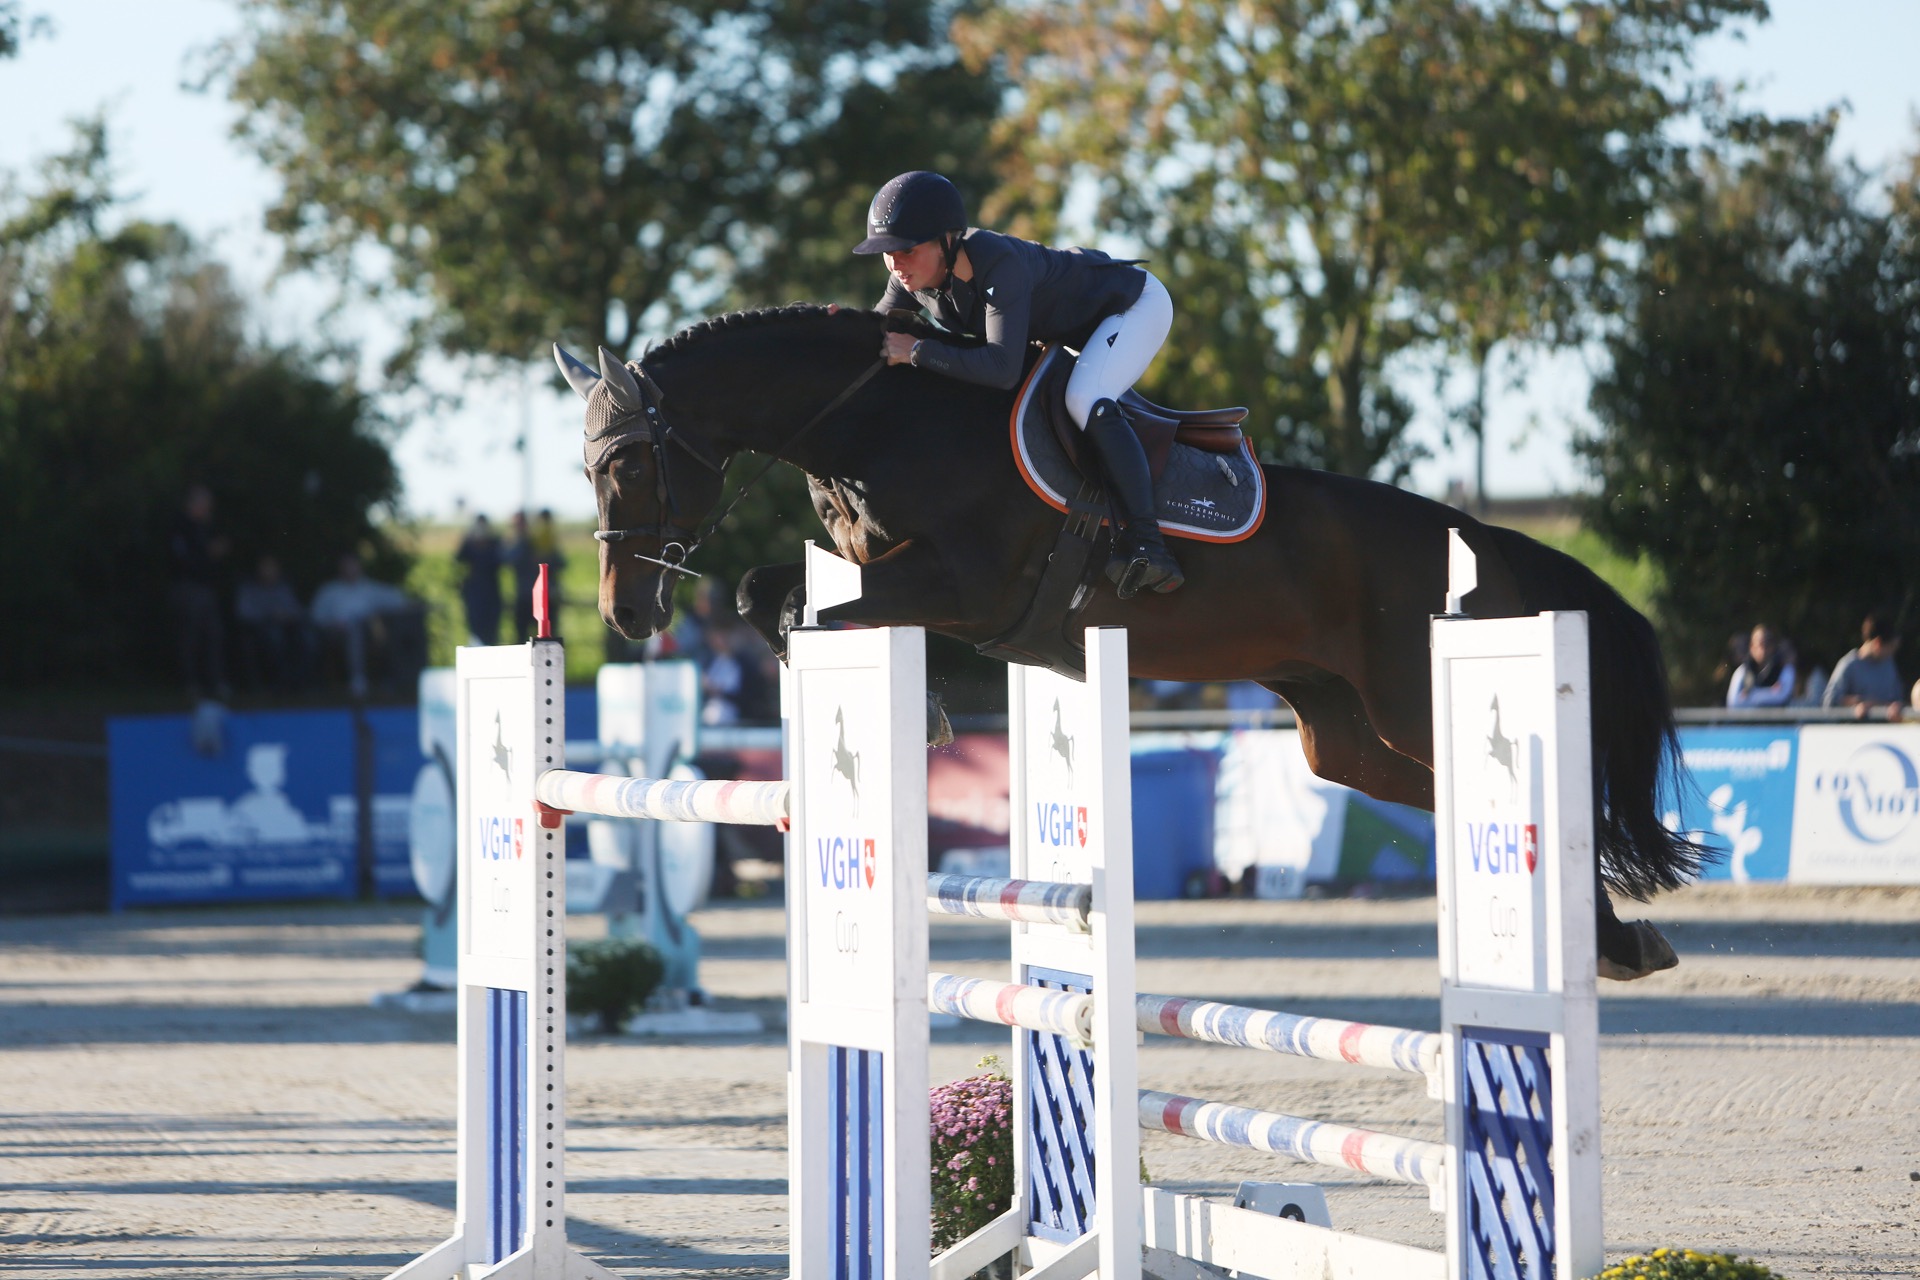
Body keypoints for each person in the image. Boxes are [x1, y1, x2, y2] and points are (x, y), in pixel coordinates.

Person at [849, 170, 1183, 598]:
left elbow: (1001, 368)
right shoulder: (910, 277)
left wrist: (917, 352)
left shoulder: (997, 263)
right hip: (1079, 330)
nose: (895, 264)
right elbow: (877, 334)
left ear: (947, 241)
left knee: (1084, 398)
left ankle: (1150, 546)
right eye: (886, 253)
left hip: (1134, 307)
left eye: (907, 250)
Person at [310, 553, 424, 698]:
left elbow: (396, 599)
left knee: (364, 629)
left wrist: (416, 603)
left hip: (366, 634)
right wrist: (333, 624)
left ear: (359, 567)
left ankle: (367, 679)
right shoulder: (329, 591)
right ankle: (356, 678)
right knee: (353, 630)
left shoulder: (370, 589)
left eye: (353, 566)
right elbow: (316, 616)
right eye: (346, 566)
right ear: (340, 569)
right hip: (334, 634)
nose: (350, 570)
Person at [168, 483, 231, 700]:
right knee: (189, 635)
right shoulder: (180, 527)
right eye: (204, 503)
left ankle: (215, 682)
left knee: (214, 635)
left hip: (207, 589)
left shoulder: (208, 528)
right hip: (187, 588)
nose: (208, 508)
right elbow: (182, 561)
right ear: (192, 503)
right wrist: (209, 554)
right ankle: (190, 683)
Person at [233, 555, 313, 692]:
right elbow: (244, 613)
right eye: (266, 567)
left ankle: (300, 682)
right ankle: (280, 682)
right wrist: (270, 615)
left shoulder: (283, 588)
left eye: (272, 567)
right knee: (275, 637)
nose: (269, 571)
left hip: (289, 629)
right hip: (259, 630)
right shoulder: (248, 589)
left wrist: (287, 615)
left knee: (309, 639)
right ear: (258, 569)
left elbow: (297, 610)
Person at [1822, 612, 1906, 721]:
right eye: (1890, 648)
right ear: (1877, 643)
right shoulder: (1849, 664)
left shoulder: (1889, 665)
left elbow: (1898, 698)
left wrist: (1896, 706)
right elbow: (1829, 702)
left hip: (1884, 735)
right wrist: (1855, 704)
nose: (1892, 653)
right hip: (1852, 734)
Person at [454, 514, 505, 646]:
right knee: (475, 630)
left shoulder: (495, 543)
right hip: (474, 592)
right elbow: (458, 559)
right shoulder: (469, 544)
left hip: (491, 593)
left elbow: (502, 561)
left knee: (491, 631)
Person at [1726, 624, 1798, 708]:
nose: (1763, 649)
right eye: (1759, 643)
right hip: (1751, 720)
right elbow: (1733, 703)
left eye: (1767, 643)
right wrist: (1770, 692)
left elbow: (1781, 697)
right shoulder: (1742, 672)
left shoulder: (1785, 669)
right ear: (1751, 647)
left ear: (1772, 646)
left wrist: (1750, 695)